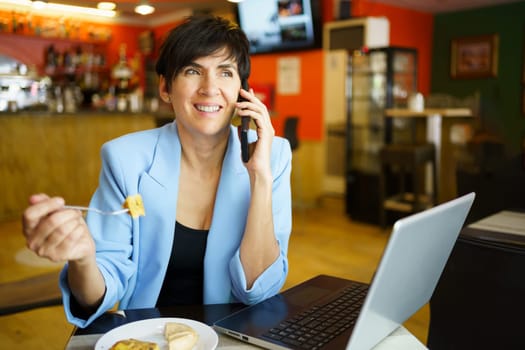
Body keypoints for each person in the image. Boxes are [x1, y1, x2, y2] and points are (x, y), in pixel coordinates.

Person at [21, 15, 292, 328]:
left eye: (225, 72)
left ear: (242, 92)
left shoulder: (273, 157)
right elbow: (98, 291)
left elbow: (258, 291)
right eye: (193, 70)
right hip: (150, 334)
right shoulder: (125, 159)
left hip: (235, 334)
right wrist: (83, 257)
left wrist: (259, 177)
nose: (210, 88)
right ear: (166, 87)